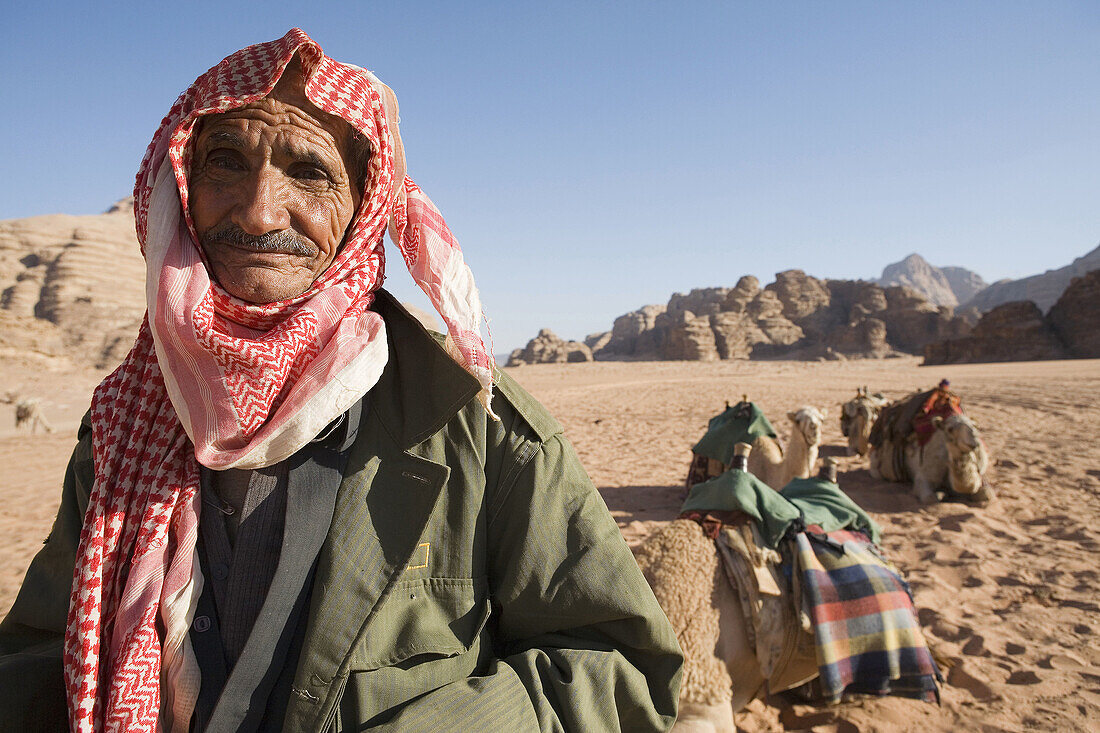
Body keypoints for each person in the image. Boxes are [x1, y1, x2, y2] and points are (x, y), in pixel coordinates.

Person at [0, 29, 682, 732]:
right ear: (182, 187)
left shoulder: (478, 427)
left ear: (365, 205)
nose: (260, 211)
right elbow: (38, 661)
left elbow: (622, 666)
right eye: (226, 163)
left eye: (309, 172)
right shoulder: (127, 422)